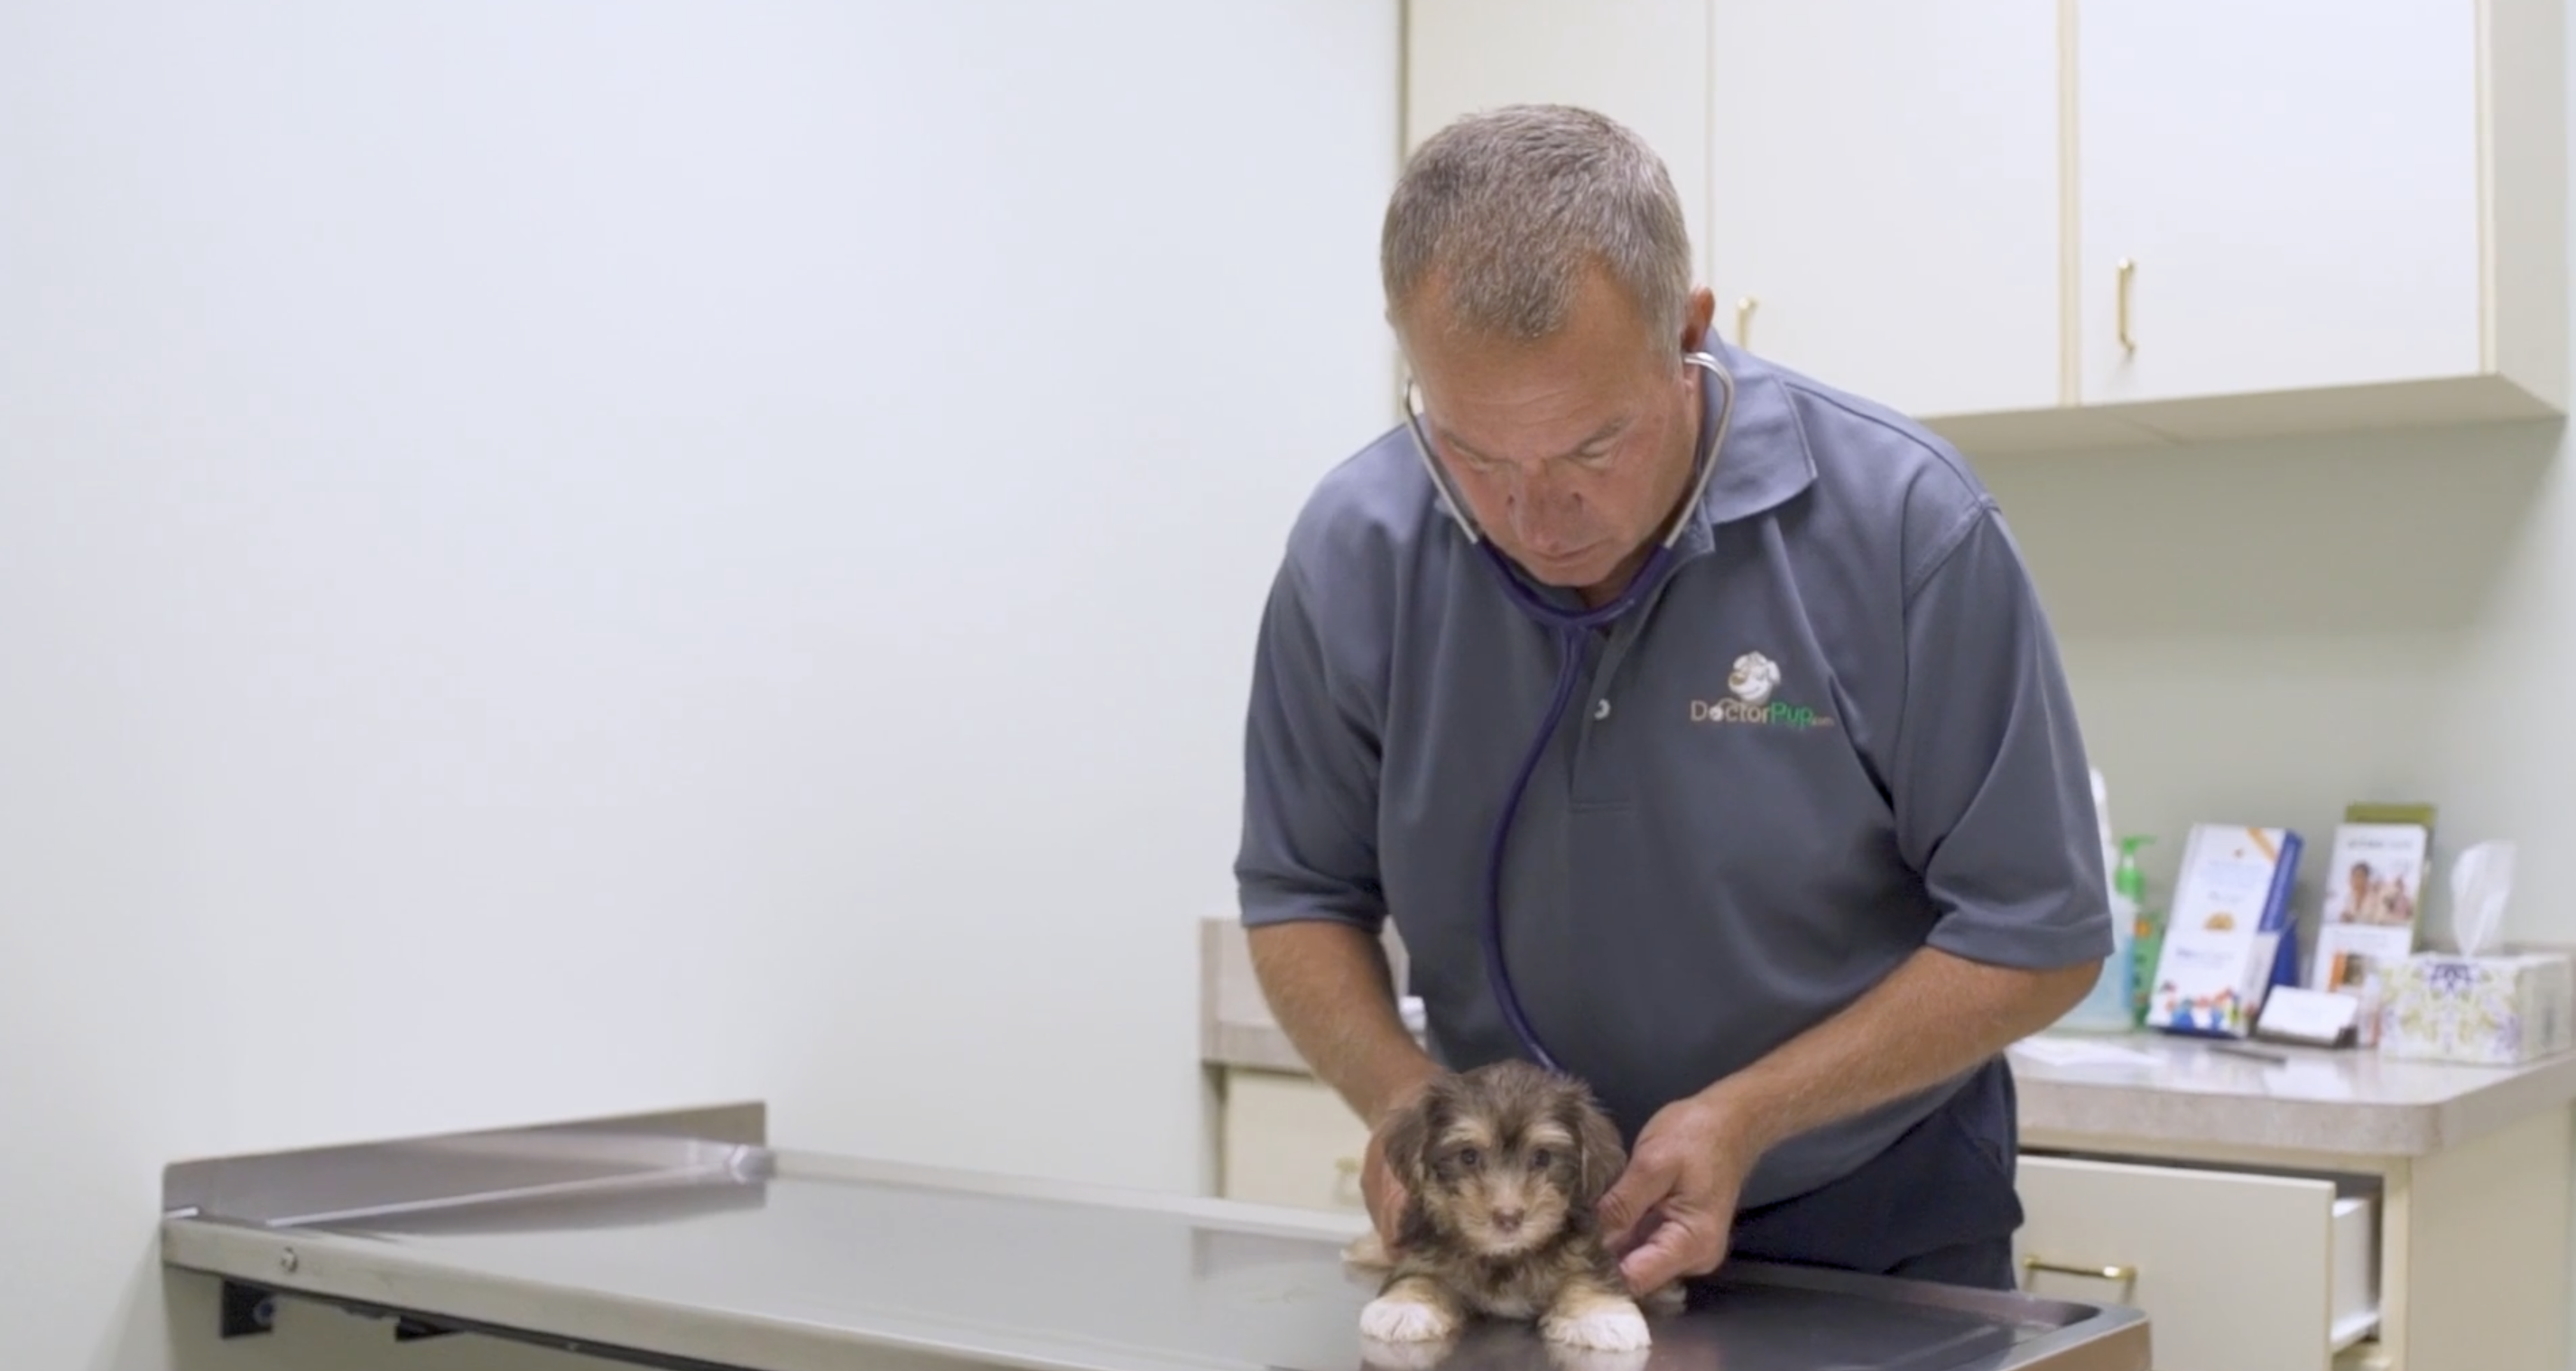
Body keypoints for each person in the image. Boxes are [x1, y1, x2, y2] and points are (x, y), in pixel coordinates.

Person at [1231, 103, 2113, 1297]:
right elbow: (1298, 896)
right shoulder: (1356, 550)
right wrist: (1403, 1109)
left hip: (1864, 1217)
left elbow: (2037, 935)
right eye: (1475, 455)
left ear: (1687, 333)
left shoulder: (1905, 526)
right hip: (1513, 1225)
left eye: (1594, 448)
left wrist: (1748, 1113)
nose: (1536, 519)